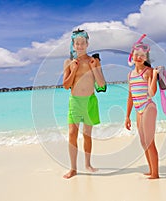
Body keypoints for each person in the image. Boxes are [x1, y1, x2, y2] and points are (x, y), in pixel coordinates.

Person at [62, 29, 106, 179]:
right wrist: (73, 70)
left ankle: (87, 164)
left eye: (83, 43)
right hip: (75, 102)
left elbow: (101, 83)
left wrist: (94, 68)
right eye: (77, 43)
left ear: (87, 44)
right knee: (72, 134)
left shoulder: (94, 61)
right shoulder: (68, 62)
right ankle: (73, 168)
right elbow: (66, 86)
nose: (80, 46)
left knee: (87, 135)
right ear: (73, 46)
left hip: (90, 102)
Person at [125, 35, 159, 179]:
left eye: (142, 55)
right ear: (131, 56)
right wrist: (127, 116)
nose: (138, 57)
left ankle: (155, 174)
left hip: (148, 108)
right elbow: (130, 96)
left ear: (146, 58)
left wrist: (155, 76)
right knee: (143, 141)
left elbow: (152, 93)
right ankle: (151, 170)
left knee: (150, 141)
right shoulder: (130, 74)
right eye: (136, 54)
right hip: (138, 110)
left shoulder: (149, 72)